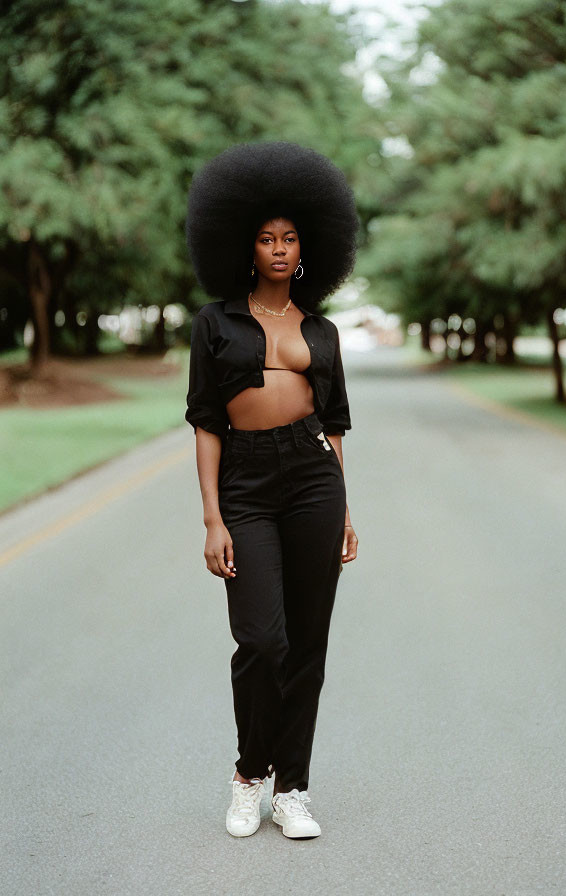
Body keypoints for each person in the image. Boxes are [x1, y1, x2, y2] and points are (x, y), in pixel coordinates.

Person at [184, 142, 359, 840]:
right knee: (262, 640)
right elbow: (205, 423)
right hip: (247, 483)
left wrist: (344, 504)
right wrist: (212, 518)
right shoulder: (215, 323)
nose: (279, 249)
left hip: (314, 478)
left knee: (308, 644)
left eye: (289, 239)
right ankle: (247, 774)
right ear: (246, 246)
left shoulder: (322, 331)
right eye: (266, 238)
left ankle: (293, 789)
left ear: (307, 247)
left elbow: (336, 426)